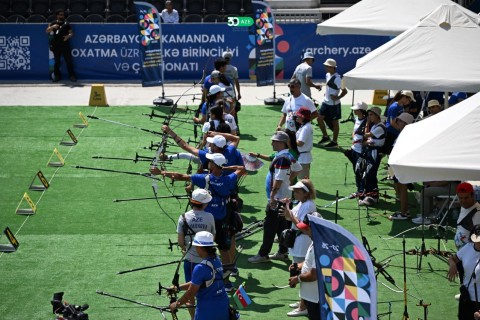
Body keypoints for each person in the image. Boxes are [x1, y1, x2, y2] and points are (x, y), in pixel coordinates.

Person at [248, 131, 302, 263]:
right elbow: (298, 169)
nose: (271, 143)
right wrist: (288, 180)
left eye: (274, 141)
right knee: (280, 226)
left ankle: (263, 254)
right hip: (283, 197)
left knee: (269, 226)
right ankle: (283, 252)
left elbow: (278, 179)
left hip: (278, 199)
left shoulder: (282, 158)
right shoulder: (287, 155)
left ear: (280, 143)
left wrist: (272, 195)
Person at [170, 231, 230, 320]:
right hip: (223, 307)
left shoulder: (200, 268)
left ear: (200, 247)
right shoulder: (217, 260)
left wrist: (176, 304)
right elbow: (199, 282)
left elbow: (191, 293)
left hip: (207, 310)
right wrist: (178, 287)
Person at [177, 189, 216, 319]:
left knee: (190, 293)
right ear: (204, 204)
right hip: (208, 261)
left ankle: (194, 317)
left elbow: (180, 242)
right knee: (207, 290)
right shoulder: (209, 217)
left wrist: (184, 248)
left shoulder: (183, 217)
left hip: (190, 260)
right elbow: (212, 238)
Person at [282, 180, 317, 317]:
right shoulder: (302, 203)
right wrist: (286, 206)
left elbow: (302, 225)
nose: (295, 193)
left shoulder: (308, 205)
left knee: (303, 272)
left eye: (297, 191)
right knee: (299, 270)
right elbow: (291, 216)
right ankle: (302, 301)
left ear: (305, 193)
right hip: (298, 242)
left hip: (303, 242)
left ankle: (303, 306)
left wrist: (290, 216)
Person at [288, 213, 321, 320]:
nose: (305, 232)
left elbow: (314, 275)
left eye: (307, 229)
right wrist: (298, 266)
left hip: (315, 298)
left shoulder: (319, 247)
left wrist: (297, 279)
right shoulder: (315, 240)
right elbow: (309, 261)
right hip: (310, 296)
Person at [448, 225, 480, 320]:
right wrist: (452, 264)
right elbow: (452, 258)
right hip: (466, 298)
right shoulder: (468, 247)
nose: (477, 243)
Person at [388, 112, 416, 220]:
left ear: (405, 122)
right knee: (398, 187)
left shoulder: (407, 134)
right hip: (396, 164)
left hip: (401, 164)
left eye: (399, 121)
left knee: (402, 187)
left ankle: (404, 212)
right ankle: (404, 210)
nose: (397, 123)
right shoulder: (402, 133)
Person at [356, 106, 386, 206]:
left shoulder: (380, 127)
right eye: (368, 115)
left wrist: (367, 125)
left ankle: (373, 197)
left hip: (375, 152)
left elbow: (365, 136)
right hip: (371, 151)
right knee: (367, 173)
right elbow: (367, 140)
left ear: (377, 115)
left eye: (371, 115)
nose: (369, 117)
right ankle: (369, 195)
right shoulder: (375, 126)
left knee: (370, 174)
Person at [318, 58, 348, 148]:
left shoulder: (339, 79)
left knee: (335, 123)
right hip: (325, 102)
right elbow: (329, 88)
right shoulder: (327, 74)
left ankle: (334, 142)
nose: (325, 67)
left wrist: (338, 97)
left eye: (327, 66)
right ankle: (326, 136)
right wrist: (326, 93)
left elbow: (345, 91)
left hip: (334, 105)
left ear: (332, 67)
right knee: (319, 119)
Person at [344, 102, 368, 197]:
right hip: (354, 149)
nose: (354, 110)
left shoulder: (366, 121)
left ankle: (361, 191)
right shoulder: (357, 119)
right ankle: (360, 190)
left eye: (356, 109)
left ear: (361, 111)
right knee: (356, 170)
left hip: (361, 151)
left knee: (360, 171)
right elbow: (354, 132)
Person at [46, 9, 76, 82]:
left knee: (68, 61)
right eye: (60, 14)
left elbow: (71, 33)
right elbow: (47, 31)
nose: (62, 16)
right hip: (56, 45)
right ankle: (57, 76)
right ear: (57, 15)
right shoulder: (53, 23)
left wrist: (68, 36)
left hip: (65, 45)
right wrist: (53, 27)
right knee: (57, 62)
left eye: (63, 14)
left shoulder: (66, 23)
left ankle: (72, 76)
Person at [454, 182, 480, 250]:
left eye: (466, 198)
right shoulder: (465, 206)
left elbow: (478, 241)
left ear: (472, 196)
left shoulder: (477, 213)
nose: (463, 201)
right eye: (460, 198)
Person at [294, 107, 314, 179]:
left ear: (303, 117)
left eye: (298, 115)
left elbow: (300, 143)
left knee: (304, 181)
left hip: (303, 157)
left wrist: (289, 141)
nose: (296, 116)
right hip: (302, 156)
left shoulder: (305, 128)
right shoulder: (305, 126)